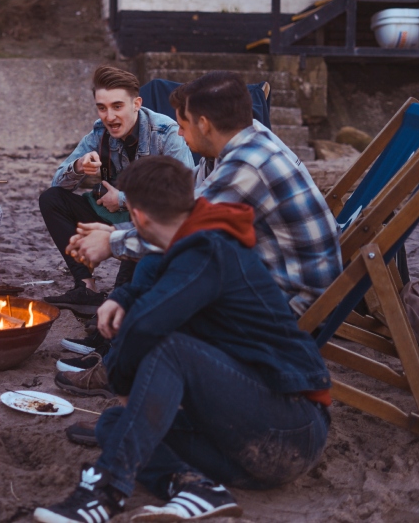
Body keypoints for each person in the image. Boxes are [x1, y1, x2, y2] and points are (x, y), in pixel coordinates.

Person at [35, 157, 331, 523]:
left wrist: (121, 380)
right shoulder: (182, 239)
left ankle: (105, 492)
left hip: (290, 431)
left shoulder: (210, 248)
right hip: (239, 448)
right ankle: (196, 488)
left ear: (138, 218)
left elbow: (146, 327)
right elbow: (148, 277)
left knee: (169, 350)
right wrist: (122, 297)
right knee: (114, 424)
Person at [67, 71, 341, 317]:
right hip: (268, 271)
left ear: (204, 125)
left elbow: (186, 230)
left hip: (294, 301)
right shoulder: (241, 140)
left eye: (183, 127)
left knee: (169, 273)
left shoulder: (248, 165)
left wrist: (111, 242)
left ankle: (118, 357)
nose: (180, 135)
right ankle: (113, 349)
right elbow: (188, 203)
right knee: (154, 265)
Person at [38, 65, 193, 315]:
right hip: (112, 215)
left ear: (136, 103)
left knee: (123, 294)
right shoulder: (100, 132)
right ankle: (85, 287)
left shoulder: (166, 132)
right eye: (102, 107)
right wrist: (79, 166)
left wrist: (122, 199)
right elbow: (58, 181)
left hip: (151, 223)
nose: (109, 117)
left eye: (117, 106)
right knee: (52, 199)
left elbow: (184, 196)